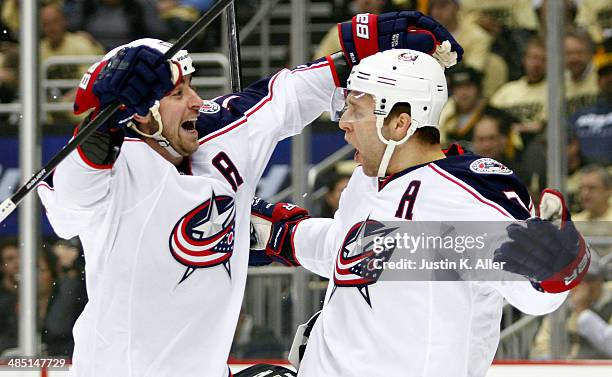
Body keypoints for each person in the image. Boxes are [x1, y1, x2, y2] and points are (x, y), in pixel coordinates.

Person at [36, 11, 463, 376]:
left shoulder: (221, 134)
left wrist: (359, 52)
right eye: (178, 93)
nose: (197, 102)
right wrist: (101, 125)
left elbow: (290, 94)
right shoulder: (112, 165)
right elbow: (69, 205)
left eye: (192, 87)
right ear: (142, 113)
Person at [251, 48, 591, 376]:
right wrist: (279, 234)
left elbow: (532, 294)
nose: (343, 123)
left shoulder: (471, 194)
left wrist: (556, 265)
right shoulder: (365, 180)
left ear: (399, 124)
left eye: (356, 109)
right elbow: (351, 251)